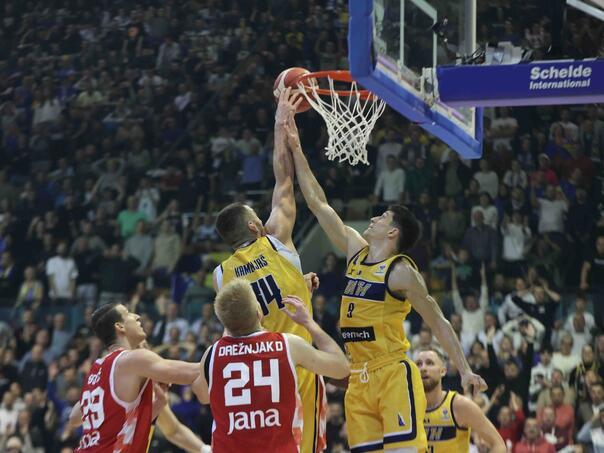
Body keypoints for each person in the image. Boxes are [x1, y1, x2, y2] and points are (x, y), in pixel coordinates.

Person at [285, 108, 487, 452]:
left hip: (392, 372)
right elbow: (319, 204)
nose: (374, 218)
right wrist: (296, 148)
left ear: (392, 232)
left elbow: (437, 320)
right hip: (358, 377)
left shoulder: (401, 271)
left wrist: (464, 368)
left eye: (382, 217)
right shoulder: (356, 251)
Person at [213, 89, 325, 453]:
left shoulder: (221, 275)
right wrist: (281, 123)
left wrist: (299, 286)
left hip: (259, 379)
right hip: (297, 364)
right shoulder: (275, 239)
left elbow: (237, 322)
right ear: (253, 227)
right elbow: (284, 180)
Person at [192, 279, 349, 453]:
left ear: (225, 324)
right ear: (259, 313)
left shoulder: (212, 354)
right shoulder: (288, 345)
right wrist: (308, 323)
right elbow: (341, 367)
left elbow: (202, 396)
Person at [73, 303, 200, 452]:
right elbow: (192, 373)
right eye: (128, 313)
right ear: (120, 326)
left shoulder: (97, 369)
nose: (137, 316)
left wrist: (153, 408)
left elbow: (74, 417)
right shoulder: (132, 360)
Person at [67, 341, 209, 453]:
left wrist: (206, 450)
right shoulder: (117, 382)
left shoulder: (150, 393)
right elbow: (74, 417)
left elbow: (173, 430)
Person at [416, 349, 505, 453]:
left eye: (430, 363)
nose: (423, 368)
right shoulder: (407, 408)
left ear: (443, 371)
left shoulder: (460, 405)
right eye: (418, 364)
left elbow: (499, 445)